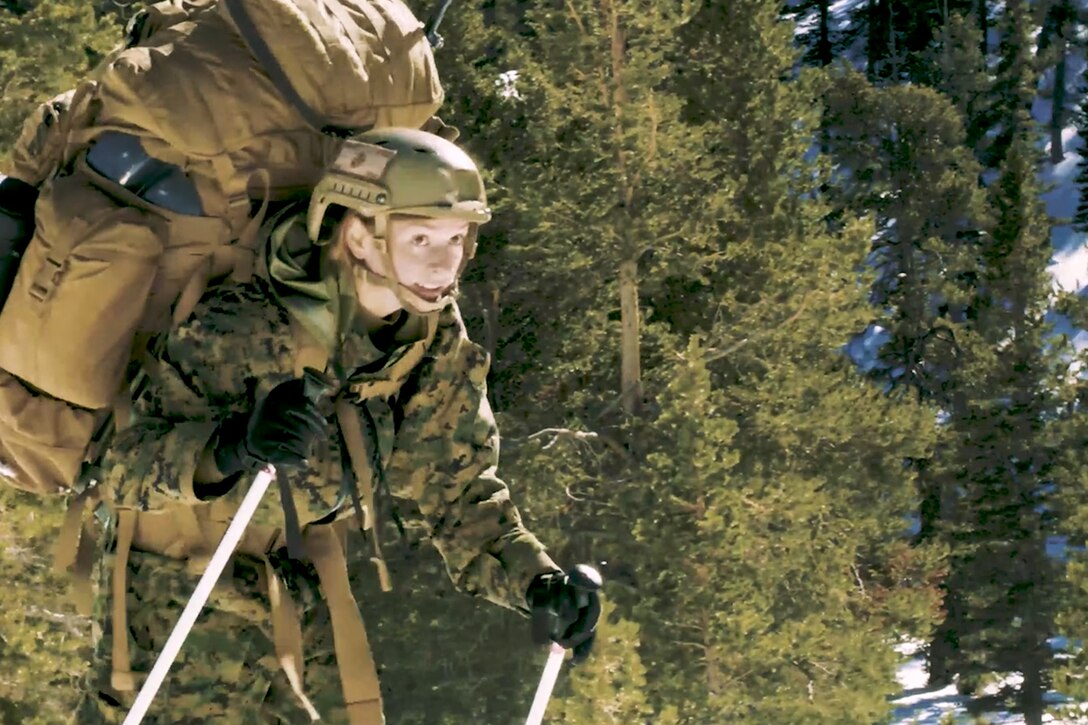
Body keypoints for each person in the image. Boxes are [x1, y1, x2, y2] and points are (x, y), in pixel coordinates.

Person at [74, 128, 601, 724]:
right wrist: (229, 447)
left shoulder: (429, 335)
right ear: (359, 235)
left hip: (298, 579)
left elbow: (455, 489)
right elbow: (122, 468)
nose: (442, 261)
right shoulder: (245, 323)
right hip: (178, 587)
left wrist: (538, 585)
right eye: (420, 237)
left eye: (456, 239)